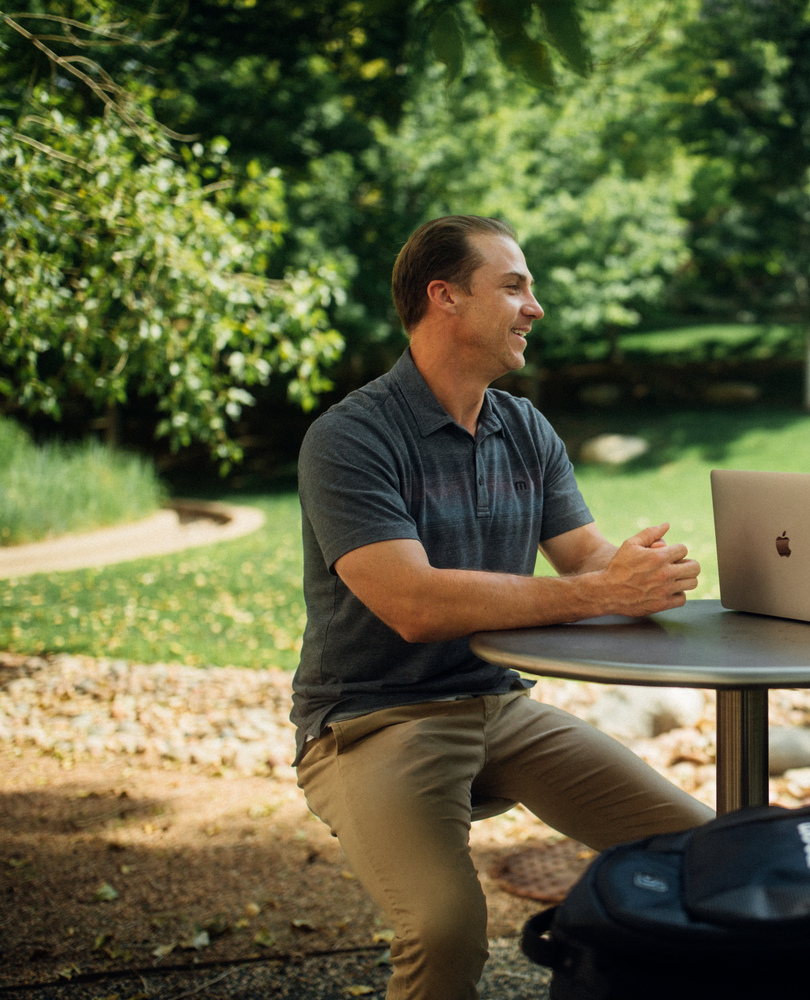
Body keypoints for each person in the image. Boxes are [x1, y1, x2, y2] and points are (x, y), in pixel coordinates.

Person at [291, 215, 715, 1000]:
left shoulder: (523, 426)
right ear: (444, 296)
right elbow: (411, 602)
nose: (536, 306)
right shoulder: (350, 438)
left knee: (708, 856)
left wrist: (637, 572)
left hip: (498, 707)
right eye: (515, 286)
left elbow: (584, 556)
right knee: (446, 927)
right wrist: (597, 590)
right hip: (374, 719)